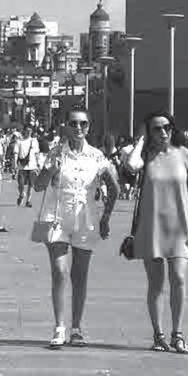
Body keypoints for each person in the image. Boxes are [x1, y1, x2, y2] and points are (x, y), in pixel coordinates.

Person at [33, 109, 119, 348]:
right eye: (73, 123)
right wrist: (50, 171)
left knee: (79, 275)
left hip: (86, 218)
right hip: (55, 216)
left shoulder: (97, 156)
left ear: (89, 127)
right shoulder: (55, 152)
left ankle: (77, 328)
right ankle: (59, 327)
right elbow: (38, 186)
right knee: (59, 271)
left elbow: (115, 188)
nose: (78, 128)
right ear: (66, 126)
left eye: (83, 124)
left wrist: (106, 218)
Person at [124, 112, 188, 354]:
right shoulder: (146, 156)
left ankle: (177, 334)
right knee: (156, 283)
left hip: (180, 227)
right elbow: (130, 166)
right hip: (151, 227)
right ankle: (158, 335)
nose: (162, 132)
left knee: (178, 278)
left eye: (166, 127)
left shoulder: (185, 155)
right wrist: (141, 140)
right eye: (156, 129)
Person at [15, 124, 42, 207]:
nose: (29, 132)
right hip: (22, 166)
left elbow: (37, 153)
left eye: (30, 131)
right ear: (24, 131)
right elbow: (16, 153)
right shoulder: (19, 141)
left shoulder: (34, 141)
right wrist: (15, 163)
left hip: (32, 166)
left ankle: (28, 201)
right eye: (27, 131)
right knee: (21, 184)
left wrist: (39, 163)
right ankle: (21, 194)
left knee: (31, 185)